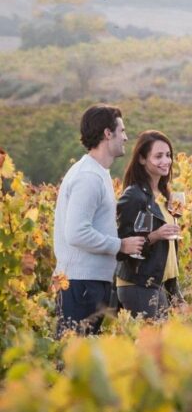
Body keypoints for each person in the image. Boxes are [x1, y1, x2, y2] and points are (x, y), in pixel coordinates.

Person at [53, 104, 145, 337]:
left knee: (82, 359)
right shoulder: (88, 177)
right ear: (107, 133)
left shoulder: (97, 173)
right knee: (74, 359)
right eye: (121, 130)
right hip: (81, 284)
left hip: (89, 282)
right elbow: (76, 233)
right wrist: (120, 245)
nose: (125, 137)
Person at [116, 130, 183, 319]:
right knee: (152, 346)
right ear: (142, 159)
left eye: (168, 155)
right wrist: (156, 235)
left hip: (161, 282)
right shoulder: (134, 196)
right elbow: (120, 246)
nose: (166, 161)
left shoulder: (164, 196)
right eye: (159, 156)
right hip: (139, 283)